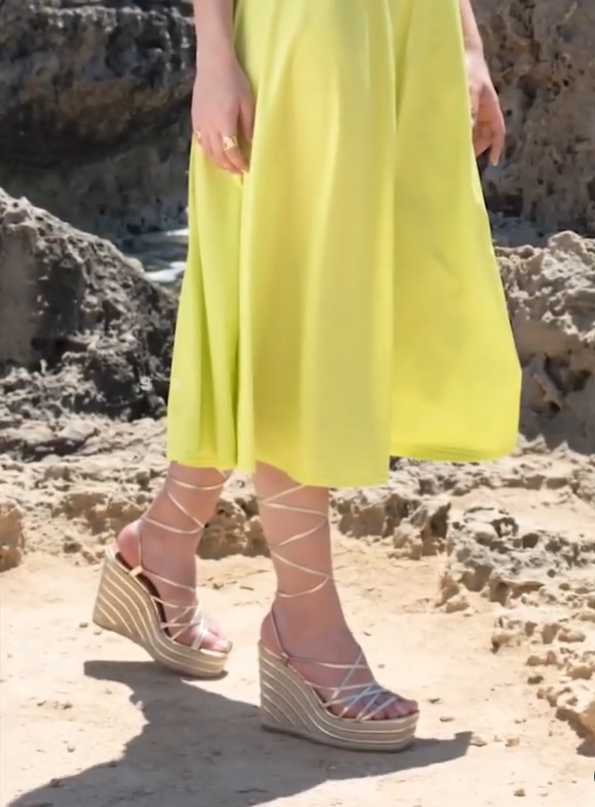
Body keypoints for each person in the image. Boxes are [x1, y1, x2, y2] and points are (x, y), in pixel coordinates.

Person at [93, 0, 521, 752]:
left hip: (404, 33)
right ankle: (305, 625)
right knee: (300, 307)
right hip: (306, 32)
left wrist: (463, 38)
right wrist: (216, 57)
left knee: (331, 295)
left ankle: (159, 546)